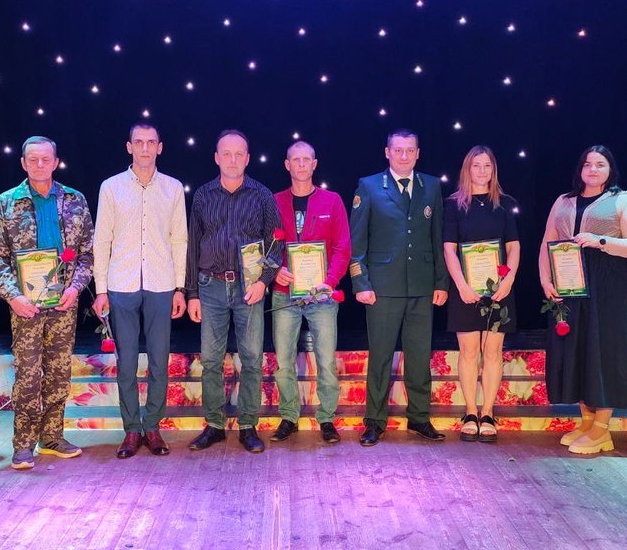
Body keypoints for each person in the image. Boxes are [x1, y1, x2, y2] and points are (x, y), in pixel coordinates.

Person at [0, 135, 94, 470]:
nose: (39, 164)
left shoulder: (75, 200)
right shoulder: (6, 202)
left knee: (59, 373)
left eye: (45, 159)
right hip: (26, 305)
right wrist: (13, 296)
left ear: (56, 162)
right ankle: (23, 444)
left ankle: (52, 437)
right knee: (28, 376)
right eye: (32, 159)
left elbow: (87, 254)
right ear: (23, 163)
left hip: (64, 302)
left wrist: (75, 288)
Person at [538, 145, 627, 455]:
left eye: (600, 164)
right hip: (569, 285)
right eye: (588, 164)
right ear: (580, 169)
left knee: (604, 350)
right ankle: (586, 421)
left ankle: (602, 428)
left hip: (608, 287)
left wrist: (600, 241)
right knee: (579, 349)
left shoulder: (622, 201)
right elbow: (547, 242)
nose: (593, 170)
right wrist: (546, 280)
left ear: (610, 169)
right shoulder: (563, 200)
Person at [92, 123, 188, 459]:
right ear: (129, 146)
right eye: (139, 142)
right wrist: (100, 290)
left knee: (160, 360)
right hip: (121, 284)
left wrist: (180, 288)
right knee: (127, 362)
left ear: (159, 147)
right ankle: (132, 429)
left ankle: (153, 426)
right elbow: (102, 239)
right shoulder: (111, 187)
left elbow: (179, 239)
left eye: (151, 142)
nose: (145, 148)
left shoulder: (173, 188)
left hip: (161, 283)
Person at [349, 129, 449, 447]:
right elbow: (356, 241)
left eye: (410, 150)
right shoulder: (369, 186)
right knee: (380, 357)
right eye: (398, 150)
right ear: (387, 152)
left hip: (421, 285)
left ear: (418, 153)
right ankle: (374, 421)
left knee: (419, 357)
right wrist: (360, 282)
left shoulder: (431, 185)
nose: (404, 156)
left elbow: (437, 237)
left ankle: (419, 417)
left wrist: (441, 282)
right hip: (382, 288)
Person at [185, 130, 281, 454]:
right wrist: (192, 293)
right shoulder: (202, 195)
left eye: (239, 154)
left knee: (251, 358)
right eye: (226, 153)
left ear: (248, 158)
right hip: (210, 285)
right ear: (216, 158)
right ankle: (213, 424)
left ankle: (248, 425)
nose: (233, 159)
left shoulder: (262, 195)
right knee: (211, 360)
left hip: (249, 287)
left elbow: (276, 244)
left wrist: (263, 281)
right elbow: (193, 246)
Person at [269, 141, 351, 445]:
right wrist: (274, 270)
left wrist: (330, 280)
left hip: (322, 295)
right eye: (296, 160)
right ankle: (289, 416)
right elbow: (263, 246)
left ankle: (326, 417)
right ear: (287, 165)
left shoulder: (332, 201)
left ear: (314, 165)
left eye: (307, 160)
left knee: (326, 360)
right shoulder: (273, 202)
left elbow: (343, 247)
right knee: (284, 361)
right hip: (284, 292)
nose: (301, 164)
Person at [442, 146, 520, 443]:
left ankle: (488, 413)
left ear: (493, 169)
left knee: (493, 352)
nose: (482, 171)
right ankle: (471, 412)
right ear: (467, 169)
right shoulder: (453, 205)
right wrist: (461, 285)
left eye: (487, 165)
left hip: (499, 290)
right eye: (476, 165)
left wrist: (509, 280)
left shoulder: (505, 203)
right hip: (465, 289)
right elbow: (449, 249)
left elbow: (513, 246)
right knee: (469, 352)